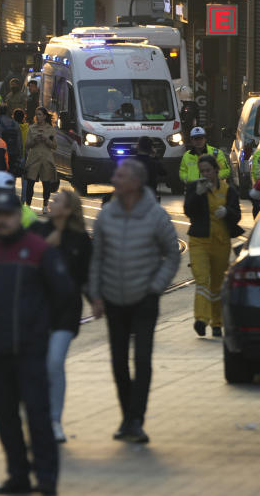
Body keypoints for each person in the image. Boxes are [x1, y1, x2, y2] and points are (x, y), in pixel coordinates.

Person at [0, 191, 73, 496]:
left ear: (19, 216)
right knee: (5, 420)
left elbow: (65, 294)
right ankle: (18, 476)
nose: (3, 220)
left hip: (29, 351)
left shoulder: (39, 250)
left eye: (8, 214)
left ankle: (46, 480)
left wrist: (43, 329)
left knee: (38, 418)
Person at [89, 159, 180, 444]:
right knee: (118, 361)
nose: (114, 178)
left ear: (136, 183)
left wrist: (156, 286)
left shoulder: (155, 215)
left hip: (144, 298)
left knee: (142, 360)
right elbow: (97, 257)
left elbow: (172, 253)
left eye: (120, 175)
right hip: (114, 298)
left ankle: (136, 418)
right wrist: (95, 294)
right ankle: (127, 416)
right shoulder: (106, 215)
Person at [34, 190, 91, 443]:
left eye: (56, 201)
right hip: (38, 309)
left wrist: (96, 300)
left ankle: (55, 421)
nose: (51, 203)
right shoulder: (39, 233)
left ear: (67, 210)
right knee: (38, 366)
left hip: (67, 310)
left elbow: (88, 276)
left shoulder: (80, 240)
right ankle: (40, 418)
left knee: (55, 362)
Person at [183, 155, 242, 338]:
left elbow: (237, 215)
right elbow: (188, 211)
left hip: (221, 242)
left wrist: (227, 212)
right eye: (202, 171)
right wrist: (197, 194)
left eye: (208, 170)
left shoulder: (228, 190)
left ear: (216, 170)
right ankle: (201, 319)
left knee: (217, 284)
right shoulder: (195, 188)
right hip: (199, 241)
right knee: (202, 281)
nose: (206, 174)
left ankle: (217, 323)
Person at [21, 108, 57, 208]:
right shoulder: (31, 128)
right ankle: (28, 205)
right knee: (30, 183)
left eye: (40, 114)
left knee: (46, 184)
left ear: (45, 116)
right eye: (37, 114)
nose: (38, 116)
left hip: (46, 158)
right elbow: (27, 145)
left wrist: (47, 140)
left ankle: (45, 205)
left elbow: (54, 146)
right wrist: (34, 141)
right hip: (34, 158)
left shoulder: (51, 129)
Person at [0, 108, 23, 177]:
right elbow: (19, 142)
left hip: (1, 155)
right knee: (11, 177)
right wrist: (19, 156)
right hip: (13, 155)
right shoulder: (15, 124)